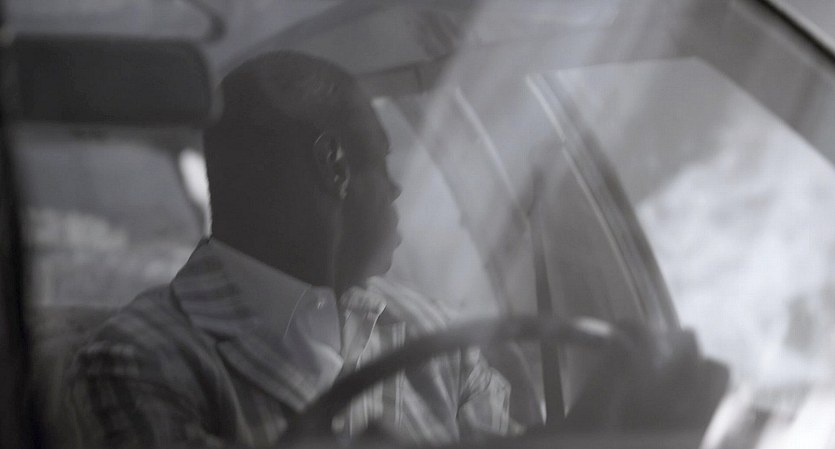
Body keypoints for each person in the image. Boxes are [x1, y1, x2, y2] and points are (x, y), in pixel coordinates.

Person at [67, 51, 514, 448]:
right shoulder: (139, 359)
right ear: (334, 165)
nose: (394, 188)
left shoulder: (436, 335)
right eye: (379, 159)